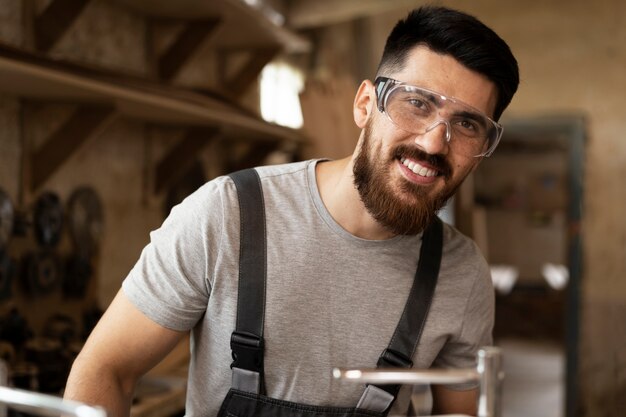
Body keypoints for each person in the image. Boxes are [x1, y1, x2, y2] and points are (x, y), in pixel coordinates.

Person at [64, 5, 519, 417]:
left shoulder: (461, 275)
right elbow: (106, 370)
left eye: (467, 125)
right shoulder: (227, 216)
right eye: (417, 103)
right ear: (365, 104)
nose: (433, 142)